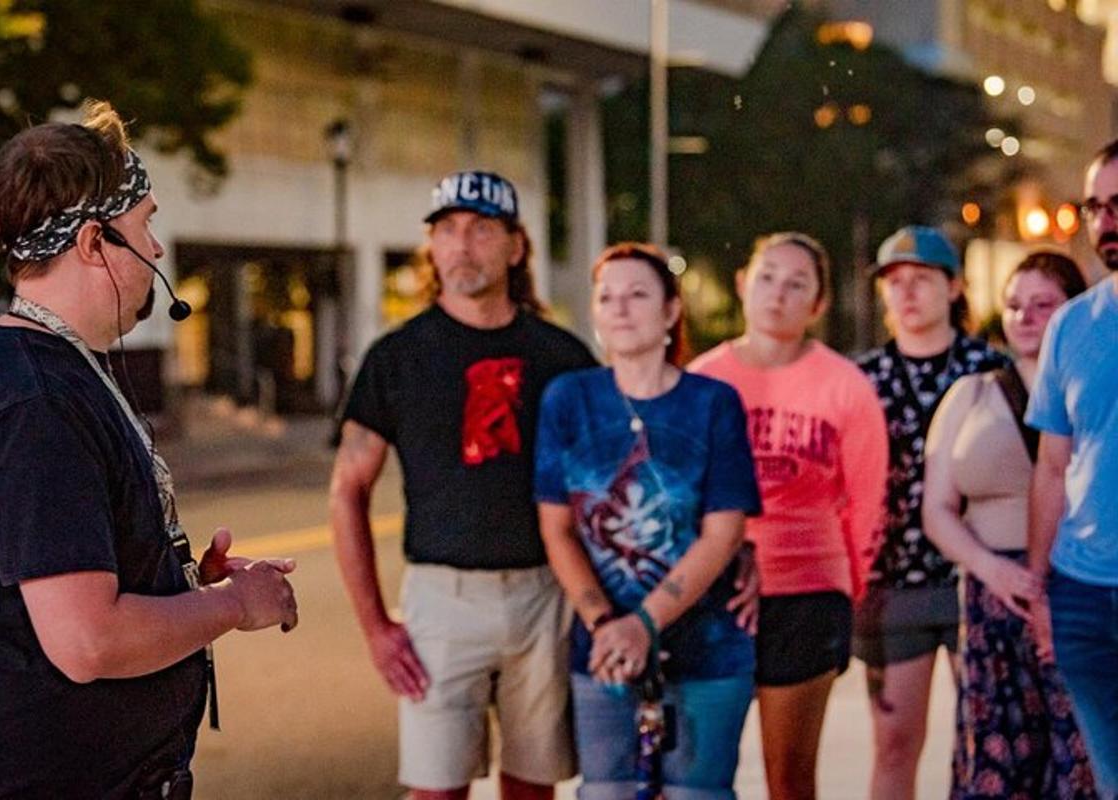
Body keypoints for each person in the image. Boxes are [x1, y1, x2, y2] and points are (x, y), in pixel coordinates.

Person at [0, 101, 299, 799]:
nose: (156, 249)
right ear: (95, 241)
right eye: (145, 223)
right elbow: (87, 640)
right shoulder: (34, 399)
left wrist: (175, 583)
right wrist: (235, 604)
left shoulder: (36, 370)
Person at [329, 170, 595, 800]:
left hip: (545, 596)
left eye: (481, 229)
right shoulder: (396, 357)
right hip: (440, 602)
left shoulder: (564, 357)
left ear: (516, 246)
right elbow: (347, 491)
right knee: (435, 791)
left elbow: (606, 489)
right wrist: (375, 627)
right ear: (431, 248)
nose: (462, 245)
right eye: (446, 230)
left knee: (533, 787)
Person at [534, 242, 761, 800]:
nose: (620, 308)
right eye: (606, 297)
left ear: (670, 310)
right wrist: (605, 624)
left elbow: (725, 530)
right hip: (602, 645)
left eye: (638, 294)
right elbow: (557, 527)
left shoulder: (713, 403)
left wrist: (645, 623)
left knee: (697, 794)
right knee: (607, 790)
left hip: (708, 644)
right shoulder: (568, 398)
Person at [689, 232, 888, 800]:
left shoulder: (845, 387)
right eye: (767, 276)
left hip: (806, 592)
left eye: (797, 283)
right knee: (699, 775)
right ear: (742, 284)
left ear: (818, 304)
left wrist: (847, 591)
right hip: (715, 593)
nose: (778, 293)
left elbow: (867, 501)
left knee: (790, 775)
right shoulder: (705, 380)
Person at [923, 251, 1096, 799]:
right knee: (997, 758)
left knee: (1080, 758)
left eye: (1043, 305)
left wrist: (1047, 582)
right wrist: (991, 570)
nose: (1025, 317)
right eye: (1015, 305)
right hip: (991, 596)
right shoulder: (969, 395)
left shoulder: (1093, 390)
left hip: (1074, 592)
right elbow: (937, 509)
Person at [853, 225, 1008, 799]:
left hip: (981, 572)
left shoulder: (990, 371)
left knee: (989, 740)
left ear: (954, 287)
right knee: (894, 741)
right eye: (894, 282)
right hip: (895, 582)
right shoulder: (864, 378)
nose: (907, 293)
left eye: (921, 279)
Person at [1027, 140, 1118, 799]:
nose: (1106, 223)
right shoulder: (1070, 326)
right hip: (1082, 592)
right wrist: (1040, 590)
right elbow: (1052, 467)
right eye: (1096, 207)